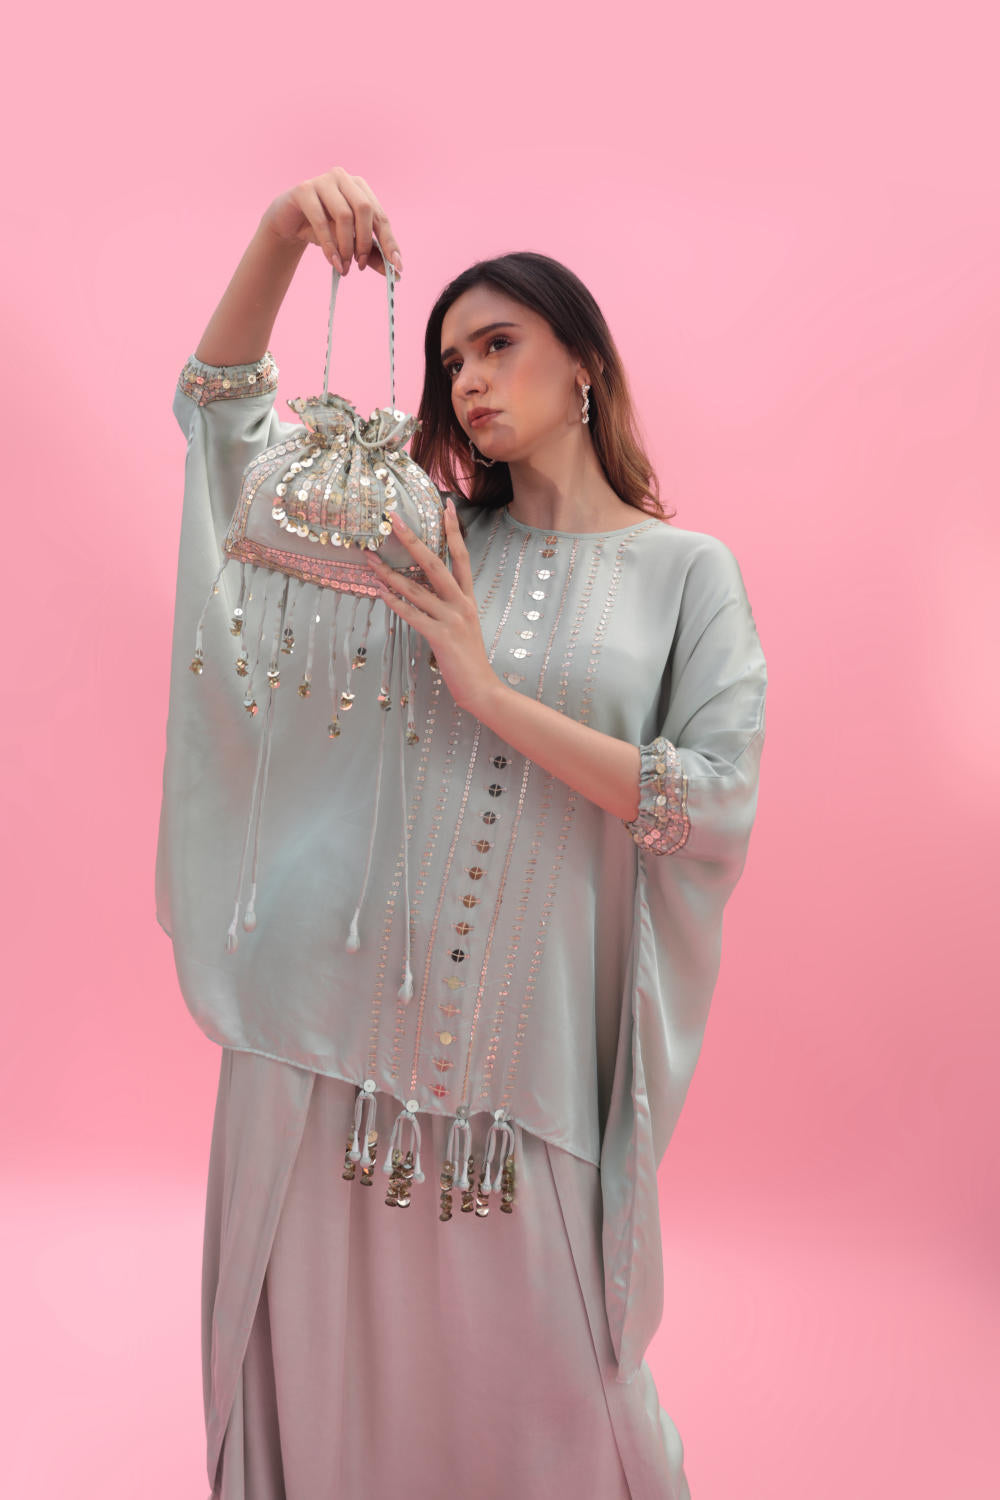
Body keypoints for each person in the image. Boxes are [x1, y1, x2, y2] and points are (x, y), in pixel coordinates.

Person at [157, 166, 768, 1500]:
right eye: (450, 363)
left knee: (573, 1420)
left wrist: (488, 694)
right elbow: (224, 427)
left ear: (585, 363)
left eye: (499, 345)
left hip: (523, 1088)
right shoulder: (421, 540)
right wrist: (280, 234)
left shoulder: (688, 577)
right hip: (325, 1063)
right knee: (327, 1426)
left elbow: (711, 797)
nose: (472, 382)